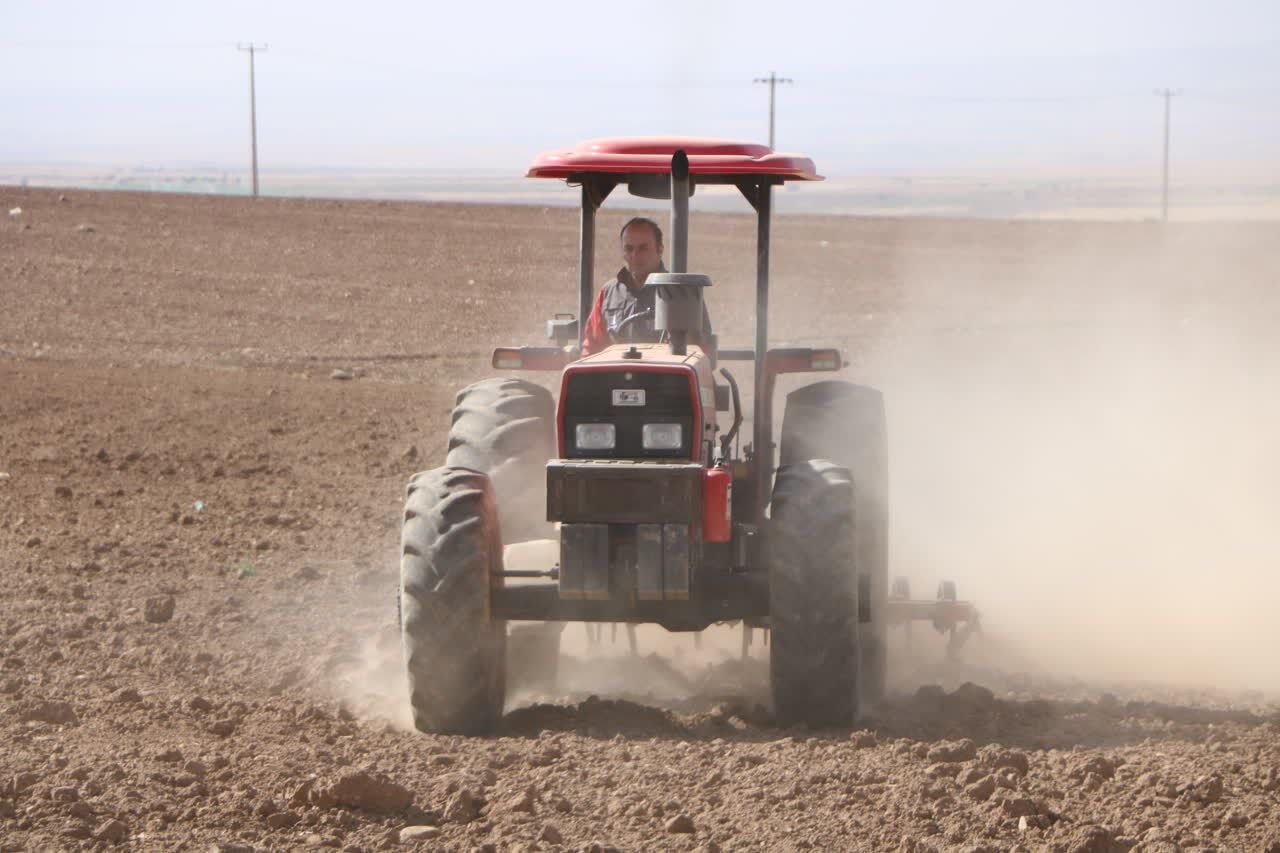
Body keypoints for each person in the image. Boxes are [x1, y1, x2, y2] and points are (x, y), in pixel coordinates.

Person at [581, 217, 667, 356]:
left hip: (664, 376)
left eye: (643, 248)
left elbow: (698, 351)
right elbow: (592, 348)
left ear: (660, 250)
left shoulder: (679, 294)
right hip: (614, 376)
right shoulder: (609, 294)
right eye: (629, 248)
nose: (635, 255)